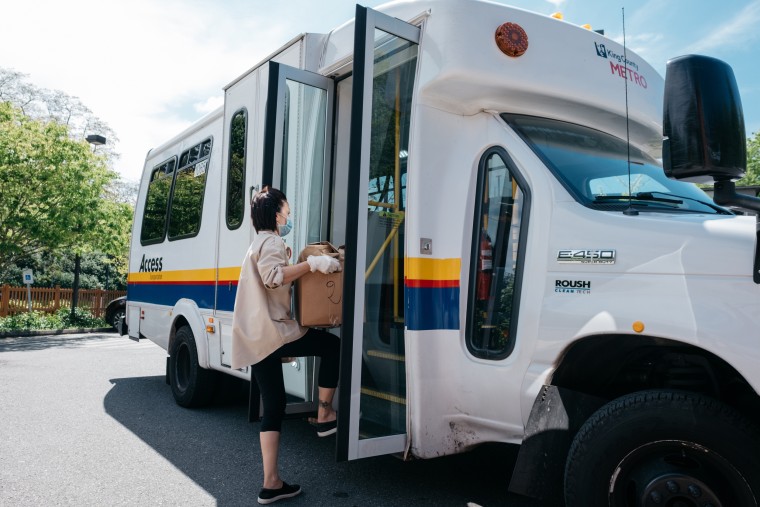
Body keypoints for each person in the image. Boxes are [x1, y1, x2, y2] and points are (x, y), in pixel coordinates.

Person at [231, 186, 341, 505]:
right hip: (273, 332)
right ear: (276, 214)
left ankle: (271, 482)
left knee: (275, 403)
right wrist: (313, 265)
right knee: (332, 347)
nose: (288, 216)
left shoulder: (258, 243)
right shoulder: (273, 241)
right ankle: (323, 413)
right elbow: (273, 278)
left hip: (258, 336)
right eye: (287, 211)